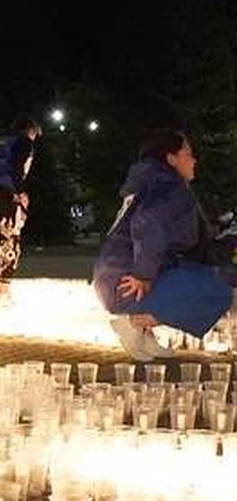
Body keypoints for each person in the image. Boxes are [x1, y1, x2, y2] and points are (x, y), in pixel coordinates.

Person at [92, 129, 235, 361]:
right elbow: (147, 222)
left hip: (113, 279)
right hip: (128, 284)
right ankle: (135, 322)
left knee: (199, 272)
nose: (194, 159)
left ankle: (144, 333)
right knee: (219, 288)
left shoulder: (150, 184)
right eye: (188, 153)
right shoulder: (169, 185)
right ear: (171, 159)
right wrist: (143, 274)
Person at [0, 115, 42, 295]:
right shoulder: (23, 142)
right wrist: (20, 192)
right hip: (5, 191)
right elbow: (17, 167)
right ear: (30, 130)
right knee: (10, 235)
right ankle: (5, 281)